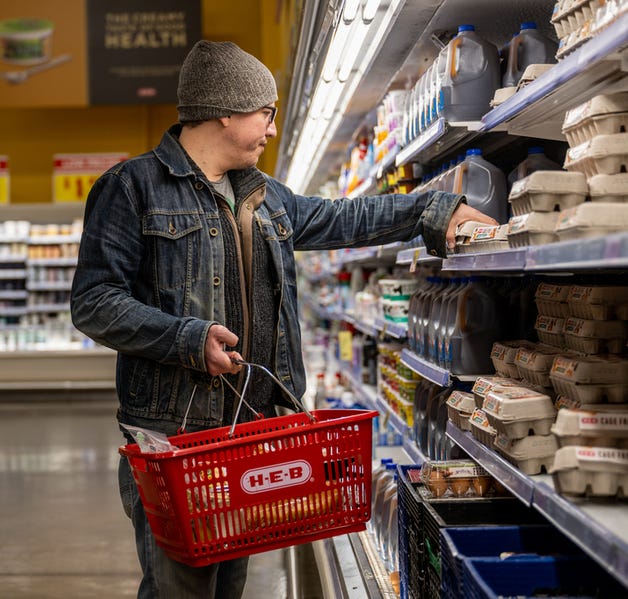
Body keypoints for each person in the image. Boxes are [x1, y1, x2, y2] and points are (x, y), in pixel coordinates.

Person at [70, 39, 496, 599]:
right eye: (266, 113)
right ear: (227, 110)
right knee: (179, 588)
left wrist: (431, 210)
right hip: (176, 439)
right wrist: (188, 339)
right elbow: (95, 301)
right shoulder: (132, 188)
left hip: (247, 432)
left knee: (228, 584)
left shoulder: (265, 198)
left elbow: (349, 218)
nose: (271, 128)